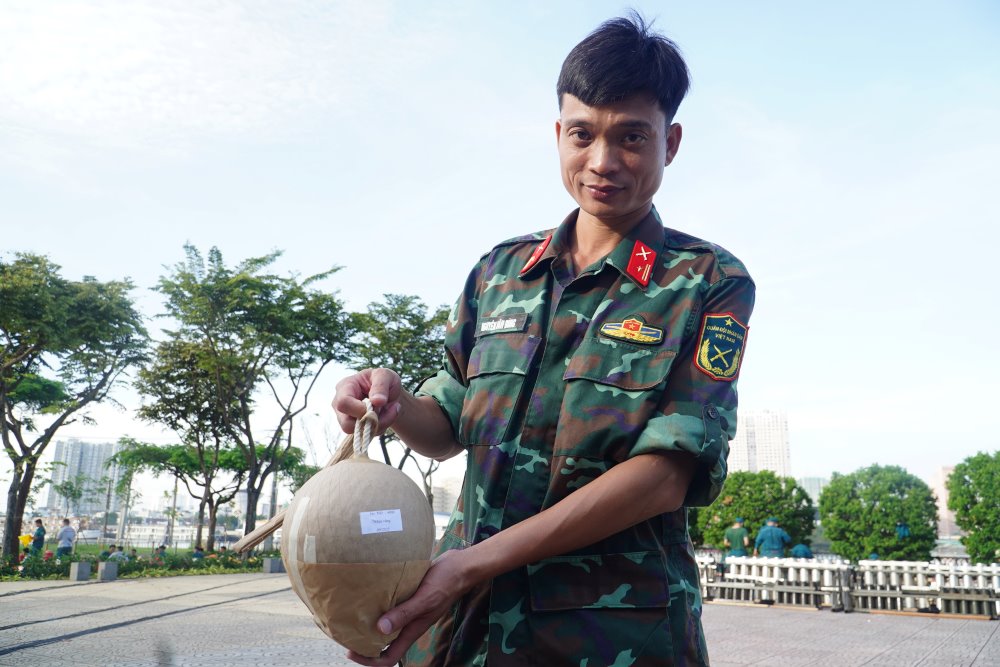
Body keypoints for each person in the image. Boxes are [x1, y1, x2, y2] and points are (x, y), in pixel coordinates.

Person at [332, 13, 755, 667]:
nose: (603, 161)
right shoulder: (499, 272)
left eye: (632, 137)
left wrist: (470, 564)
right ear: (559, 134)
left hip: (611, 638)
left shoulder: (708, 281)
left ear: (670, 142)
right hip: (462, 629)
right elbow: (446, 421)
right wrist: (390, 403)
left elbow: (665, 476)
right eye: (582, 134)